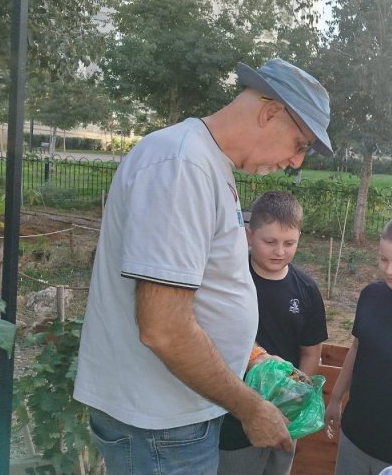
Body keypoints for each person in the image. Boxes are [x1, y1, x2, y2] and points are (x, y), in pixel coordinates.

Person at [73, 58, 333, 474]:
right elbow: (163, 326)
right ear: (270, 112)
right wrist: (250, 408)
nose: (296, 161)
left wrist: (246, 354)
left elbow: (201, 293)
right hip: (160, 424)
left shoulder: (206, 164)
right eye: (300, 144)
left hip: (175, 415)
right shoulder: (182, 164)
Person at [218, 191, 328, 474]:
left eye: (289, 243)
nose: (280, 251)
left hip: (285, 415)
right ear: (249, 235)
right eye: (270, 242)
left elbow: (311, 351)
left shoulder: (306, 289)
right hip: (235, 415)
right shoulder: (231, 280)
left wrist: (297, 398)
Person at [324, 212, 392, 474]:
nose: (388, 269)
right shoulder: (370, 294)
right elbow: (357, 348)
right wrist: (335, 399)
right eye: (383, 259)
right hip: (355, 435)